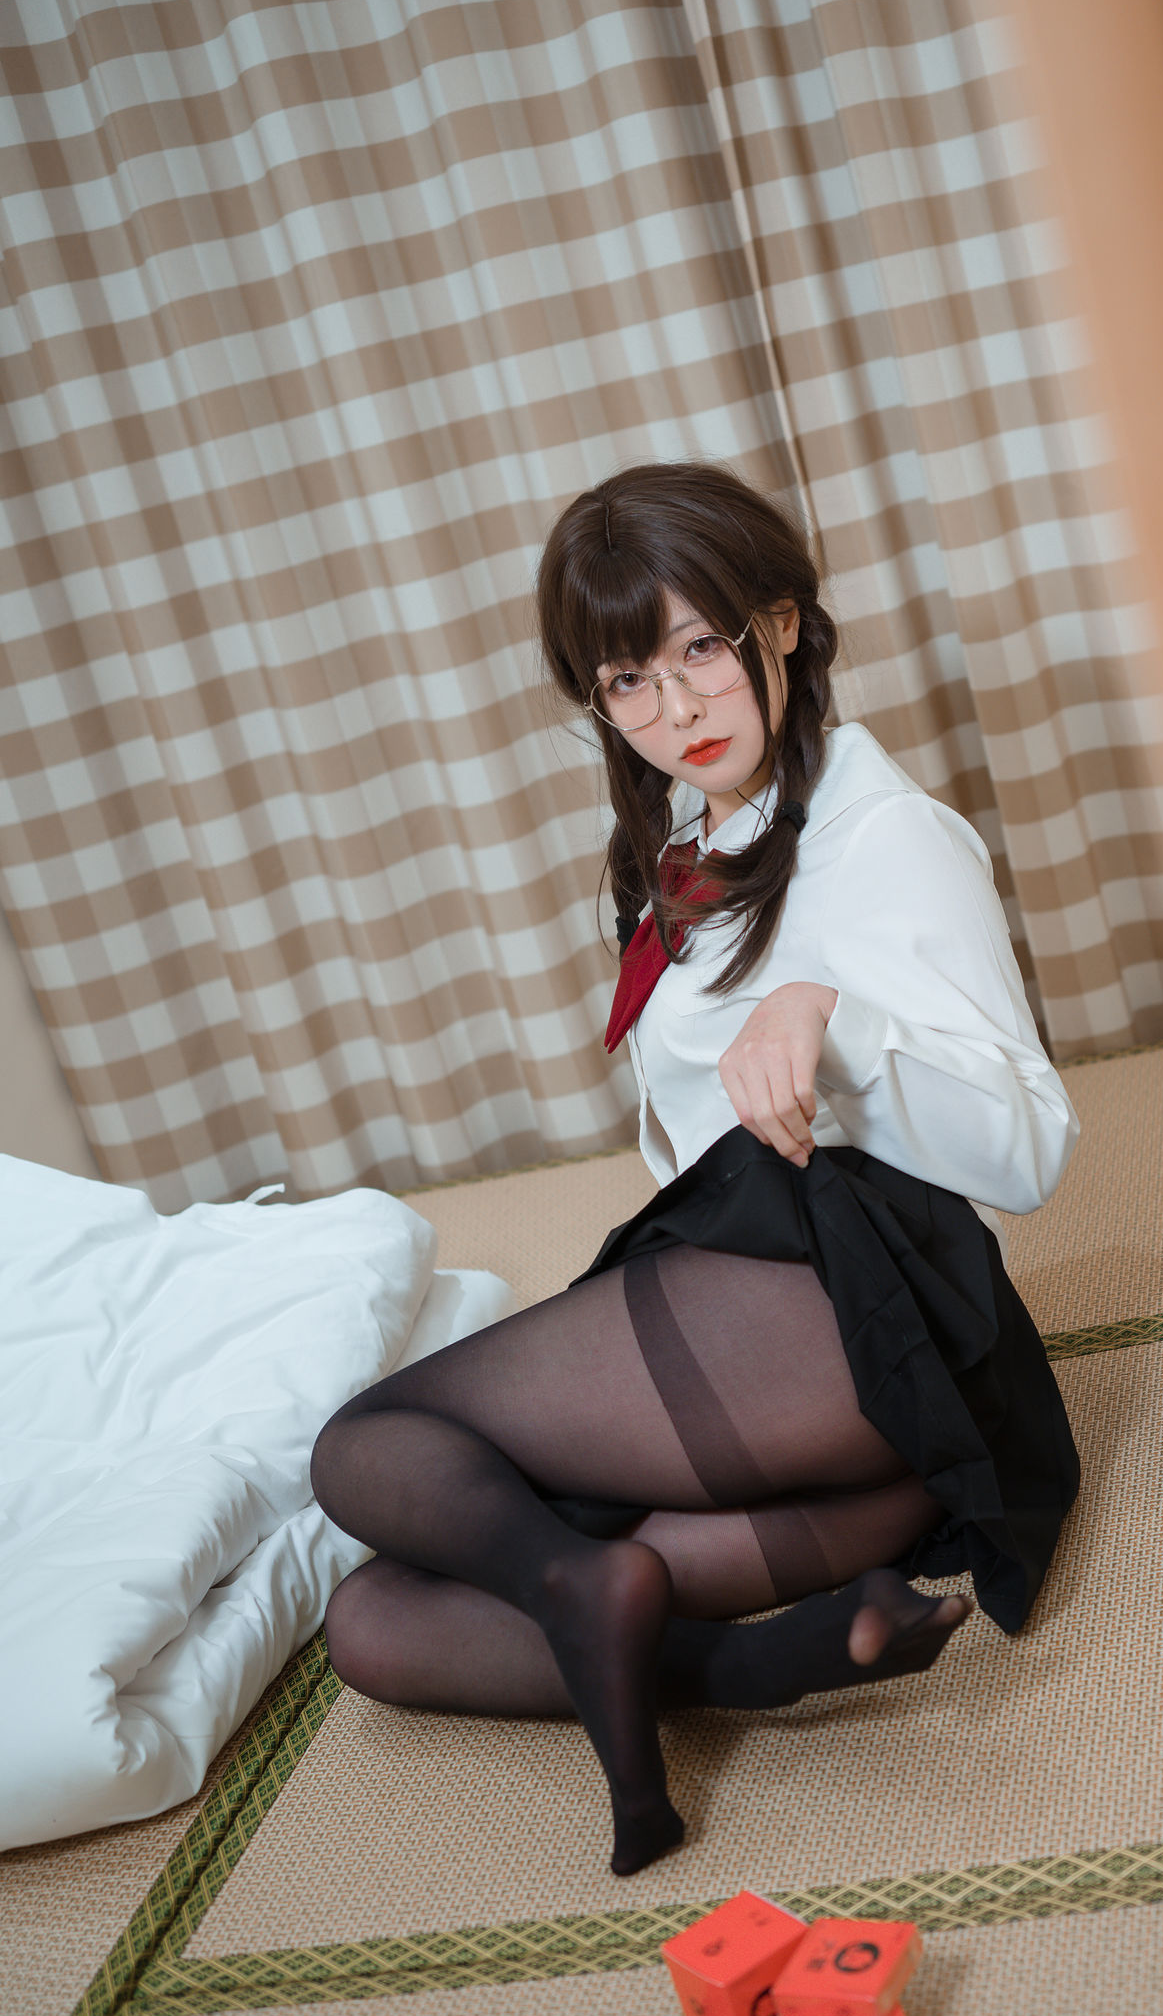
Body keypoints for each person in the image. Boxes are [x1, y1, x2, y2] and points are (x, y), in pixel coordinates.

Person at [312, 462, 1081, 1874]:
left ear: (779, 625)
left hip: (857, 1318)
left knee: (365, 1449)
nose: (676, 709)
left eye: (702, 650)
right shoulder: (687, 836)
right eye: (630, 680)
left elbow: (1030, 1150)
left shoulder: (887, 838)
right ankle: (764, 1659)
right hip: (828, 1427)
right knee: (378, 1622)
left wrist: (830, 1017)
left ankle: (617, 1600)